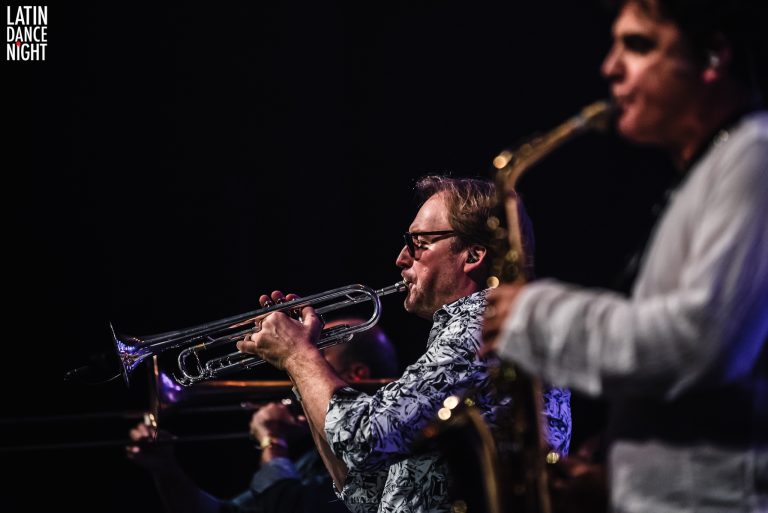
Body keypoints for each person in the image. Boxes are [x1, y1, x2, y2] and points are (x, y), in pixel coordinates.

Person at [483, 0, 768, 511]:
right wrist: (615, 477)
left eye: (639, 45)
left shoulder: (755, 157)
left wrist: (537, 315)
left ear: (712, 56)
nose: (610, 68)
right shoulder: (711, 170)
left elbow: (698, 345)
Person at [237, 175, 572, 513]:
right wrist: (297, 367)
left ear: (473, 255)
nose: (401, 258)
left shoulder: (483, 325)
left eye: (419, 243)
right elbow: (361, 494)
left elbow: (361, 437)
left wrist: (299, 355)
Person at [127, 320, 399, 513]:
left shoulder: (380, 447)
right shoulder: (312, 459)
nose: (306, 358)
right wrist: (165, 469)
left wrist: (272, 442)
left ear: (358, 375)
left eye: (320, 352)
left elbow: (289, 507)